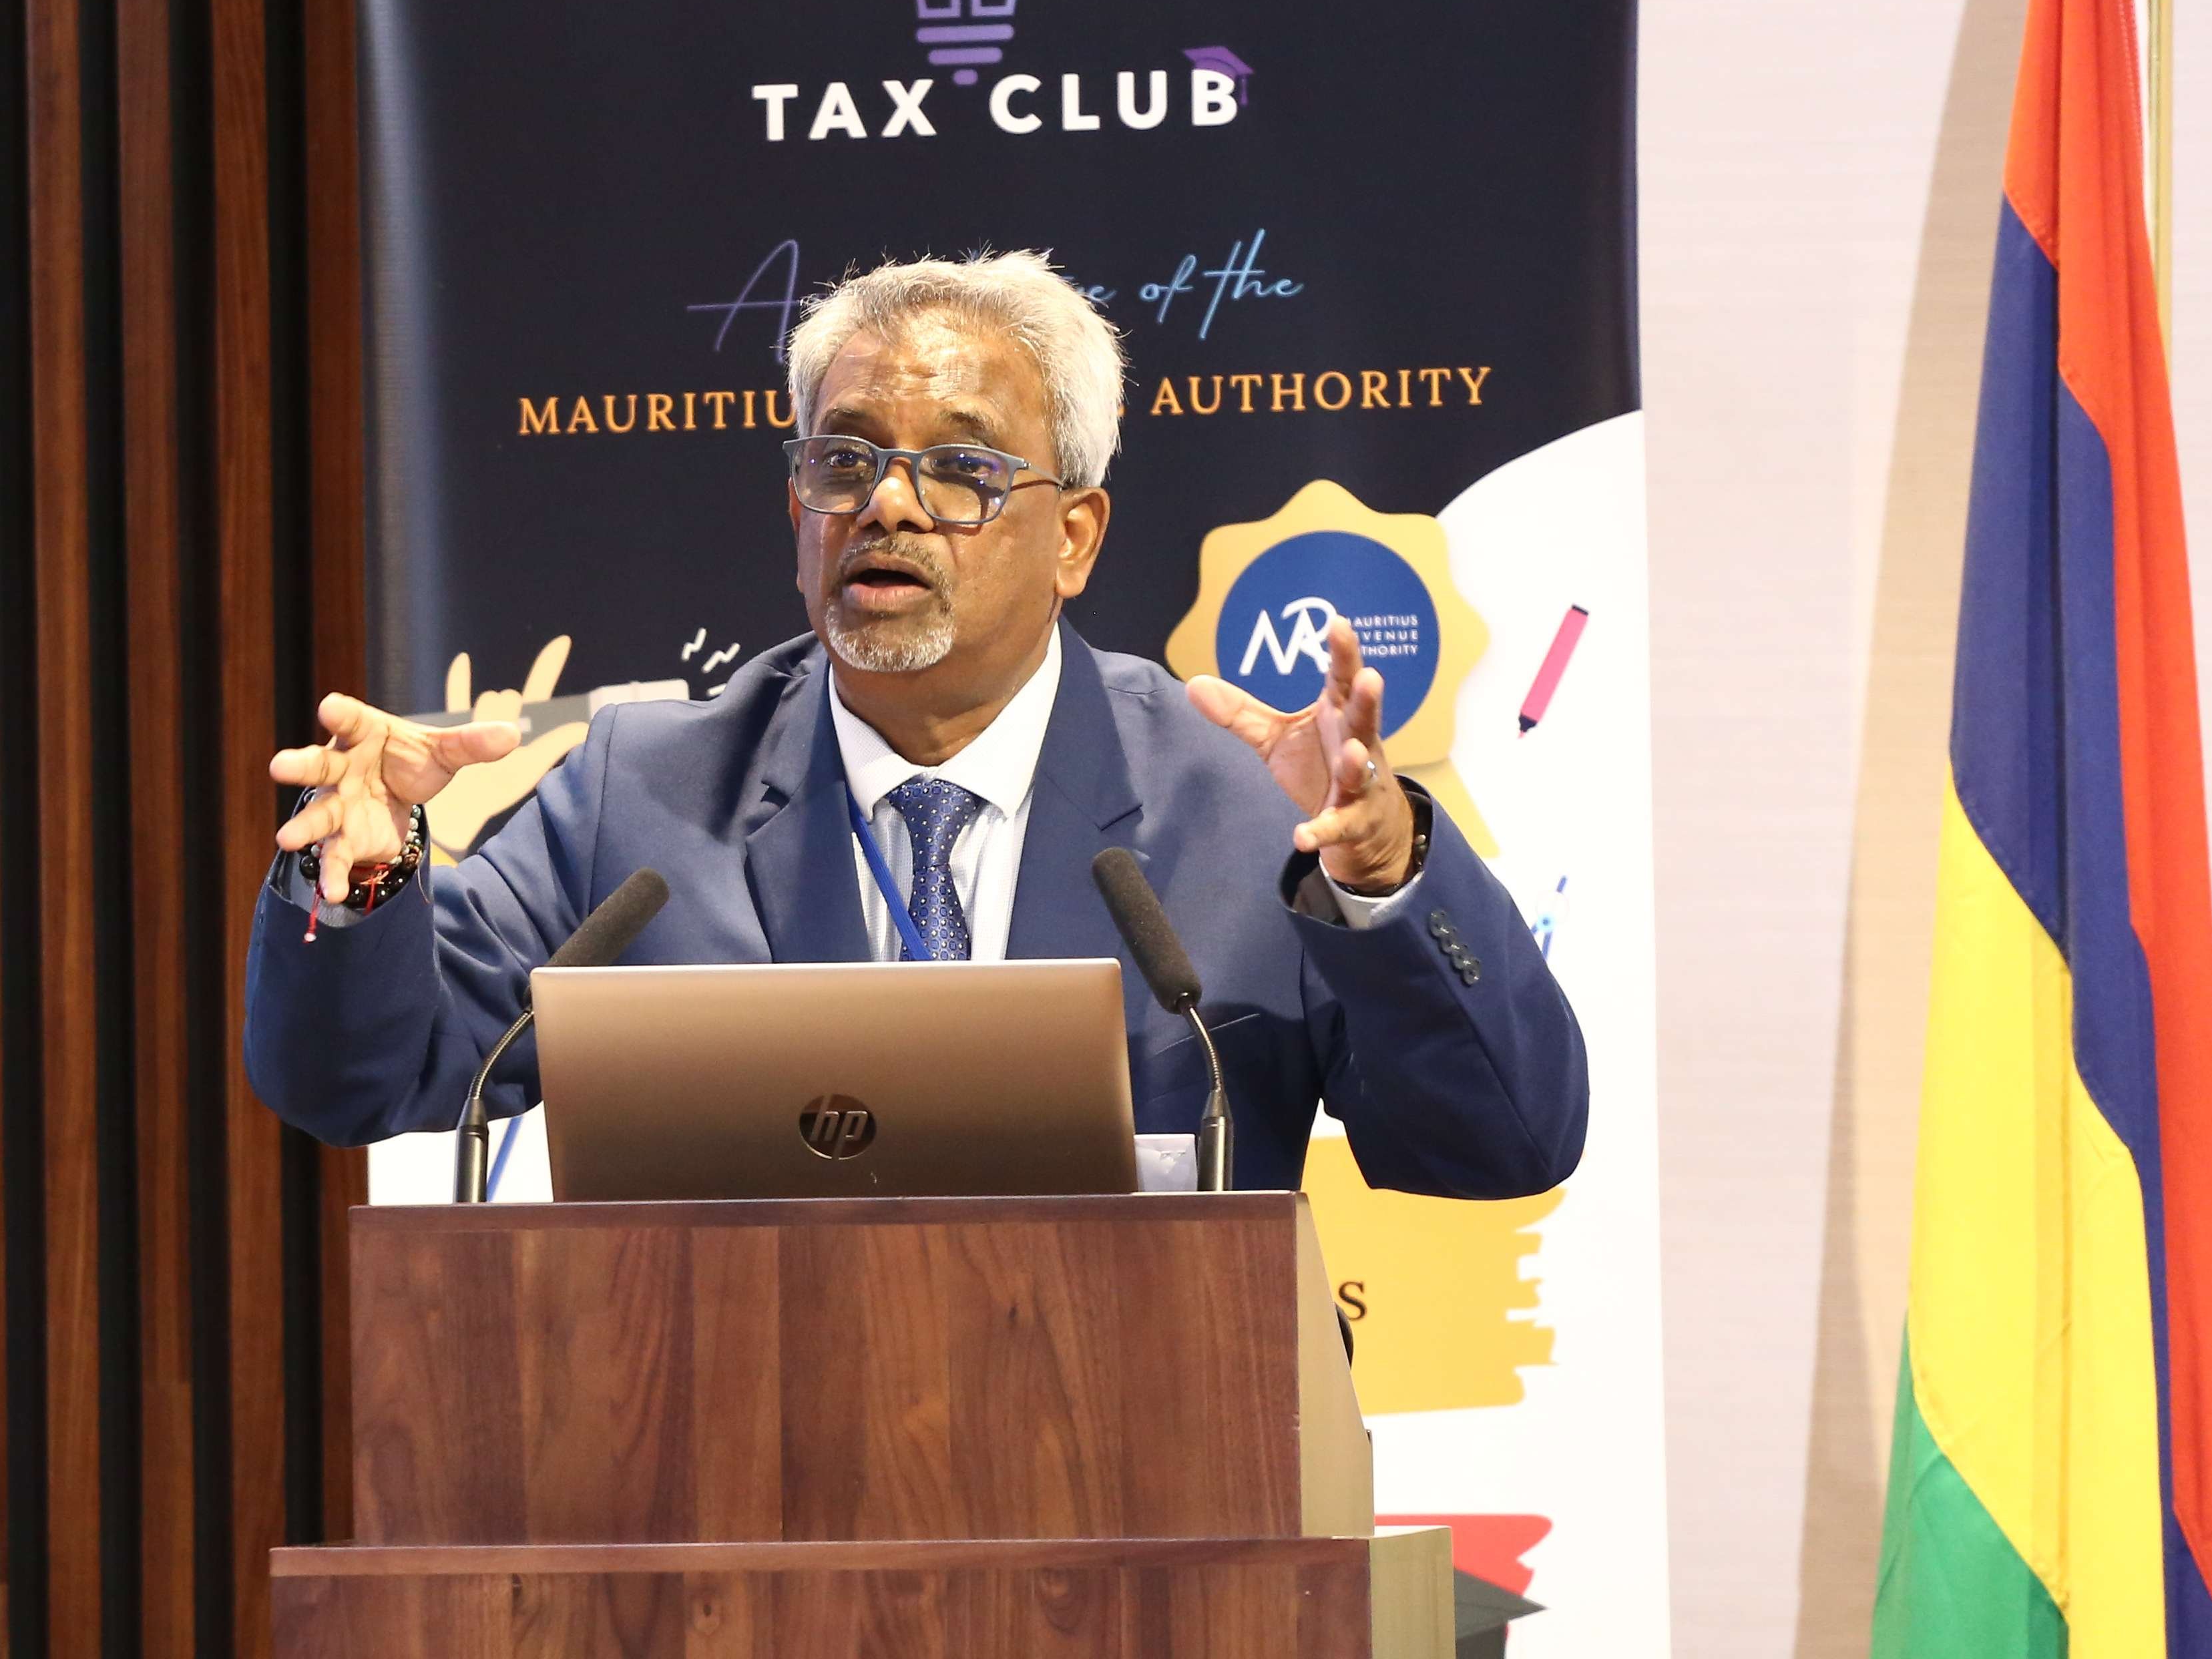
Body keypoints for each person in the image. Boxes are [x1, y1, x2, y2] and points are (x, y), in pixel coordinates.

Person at [242, 251, 1584, 1198]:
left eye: (959, 466)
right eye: (845, 459)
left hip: (1156, 1473)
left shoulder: (1242, 811)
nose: (887, 503)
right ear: (799, 514)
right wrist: (359, 885)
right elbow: (363, 1079)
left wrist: (1385, 877)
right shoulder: (639, 801)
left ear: (1074, 537)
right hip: (737, 1472)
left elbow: (1503, 1144)